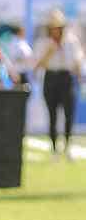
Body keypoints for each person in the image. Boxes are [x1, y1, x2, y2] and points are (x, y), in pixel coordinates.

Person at [34, 9, 84, 157]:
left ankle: (67, 146)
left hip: (66, 77)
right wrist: (49, 51)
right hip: (50, 77)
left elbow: (77, 60)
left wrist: (78, 68)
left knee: (69, 113)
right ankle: (54, 148)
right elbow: (38, 65)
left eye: (58, 27)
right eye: (53, 27)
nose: (55, 30)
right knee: (52, 115)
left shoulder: (71, 41)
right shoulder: (43, 42)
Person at [4, 22, 35, 89]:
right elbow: (14, 58)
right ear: (19, 32)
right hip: (18, 73)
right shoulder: (15, 43)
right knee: (19, 94)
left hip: (23, 72)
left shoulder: (19, 42)